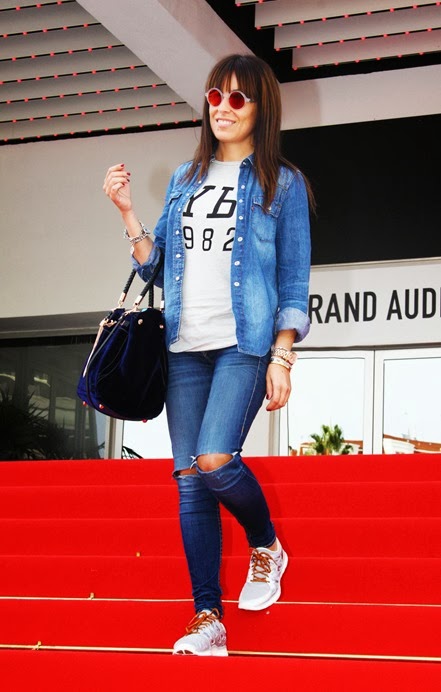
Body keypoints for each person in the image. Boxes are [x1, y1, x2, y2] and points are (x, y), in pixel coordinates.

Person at [103, 53, 311, 656]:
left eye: (238, 98)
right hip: (184, 347)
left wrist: (282, 356)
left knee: (216, 459)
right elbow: (156, 266)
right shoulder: (185, 179)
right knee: (190, 481)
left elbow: (294, 283)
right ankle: (207, 618)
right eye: (216, 95)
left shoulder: (283, 184)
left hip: (243, 344)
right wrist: (127, 212)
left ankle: (266, 544)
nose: (223, 107)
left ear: (261, 109)